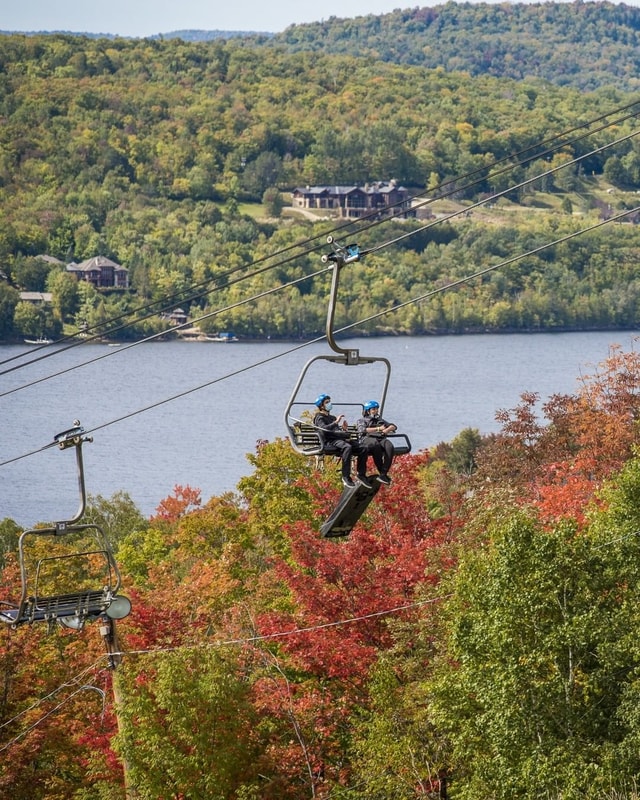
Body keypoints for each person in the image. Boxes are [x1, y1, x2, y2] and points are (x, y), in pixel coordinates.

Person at [313, 393, 377, 489]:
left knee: (363, 448)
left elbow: (336, 430)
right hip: (329, 440)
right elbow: (323, 429)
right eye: (327, 402)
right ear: (321, 406)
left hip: (339, 438)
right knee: (347, 447)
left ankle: (361, 474)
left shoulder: (332, 417)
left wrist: (343, 429)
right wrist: (335, 422)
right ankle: (345, 476)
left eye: (329, 402)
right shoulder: (319, 417)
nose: (329, 404)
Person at [356, 400, 397, 485]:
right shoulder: (362, 420)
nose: (376, 411)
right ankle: (379, 470)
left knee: (389, 446)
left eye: (376, 409)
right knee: (376, 445)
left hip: (380, 438)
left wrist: (386, 430)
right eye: (373, 409)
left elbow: (393, 426)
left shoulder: (379, 420)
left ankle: (383, 473)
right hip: (368, 438)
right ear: (368, 411)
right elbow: (363, 430)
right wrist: (378, 429)